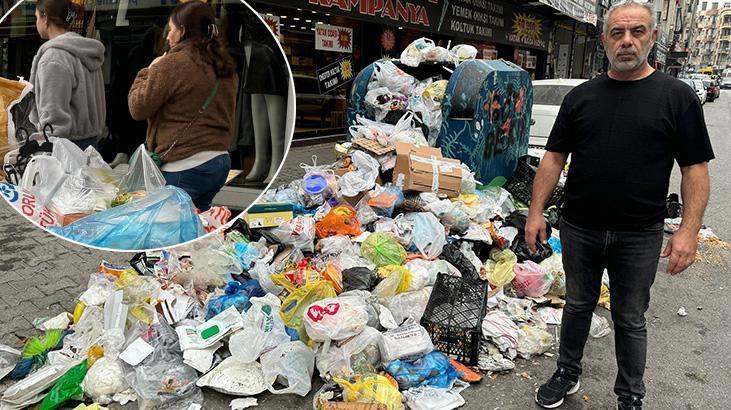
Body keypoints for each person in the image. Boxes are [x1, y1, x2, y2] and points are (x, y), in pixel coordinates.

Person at [525, 2, 714, 409]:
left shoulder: (677, 97)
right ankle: (567, 373)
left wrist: (689, 231)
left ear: (652, 38)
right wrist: (536, 212)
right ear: (605, 39)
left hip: (639, 233)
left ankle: (630, 395)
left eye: (637, 31)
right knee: (577, 304)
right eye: (617, 32)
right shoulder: (581, 97)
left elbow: (695, 169)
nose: (627, 41)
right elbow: (554, 157)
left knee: (630, 318)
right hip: (580, 227)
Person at [128, 0, 239, 211]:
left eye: (170, 29)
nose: (167, 36)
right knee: (196, 226)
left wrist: (148, 71)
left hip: (184, 164)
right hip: (219, 162)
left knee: (167, 230)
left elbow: (137, 108)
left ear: (183, 31)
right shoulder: (225, 65)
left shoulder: (173, 63)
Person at [30, 0, 106, 150]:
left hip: (64, 149)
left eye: (36, 17)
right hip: (91, 146)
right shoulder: (86, 51)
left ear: (45, 17)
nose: (36, 23)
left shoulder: (54, 57)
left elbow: (53, 118)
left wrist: (45, 148)